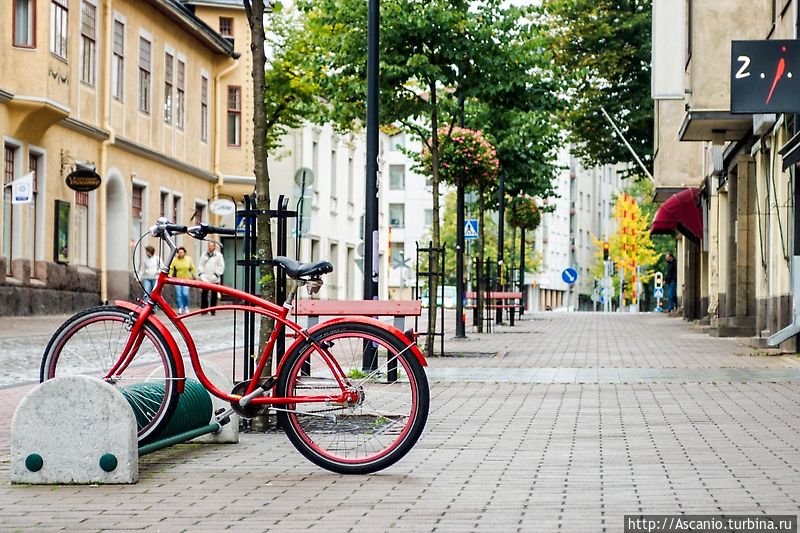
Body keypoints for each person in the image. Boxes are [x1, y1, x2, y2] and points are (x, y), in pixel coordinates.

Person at [197, 242, 225, 315]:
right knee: (204, 294)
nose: (210, 247)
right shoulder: (204, 255)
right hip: (205, 278)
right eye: (209, 246)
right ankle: (204, 310)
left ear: (214, 247)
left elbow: (221, 266)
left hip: (214, 278)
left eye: (211, 246)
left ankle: (213, 310)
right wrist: (201, 274)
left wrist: (216, 274)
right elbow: (200, 265)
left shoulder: (219, 255)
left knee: (214, 295)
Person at [169, 246, 196, 314]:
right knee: (179, 294)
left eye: (181, 252)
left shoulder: (188, 259)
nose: (180, 253)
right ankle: (180, 307)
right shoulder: (175, 260)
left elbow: (192, 268)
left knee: (185, 293)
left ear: (184, 253)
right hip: (177, 279)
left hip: (186, 279)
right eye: (179, 252)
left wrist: (194, 275)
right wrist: (170, 275)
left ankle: (186, 306)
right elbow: (171, 268)